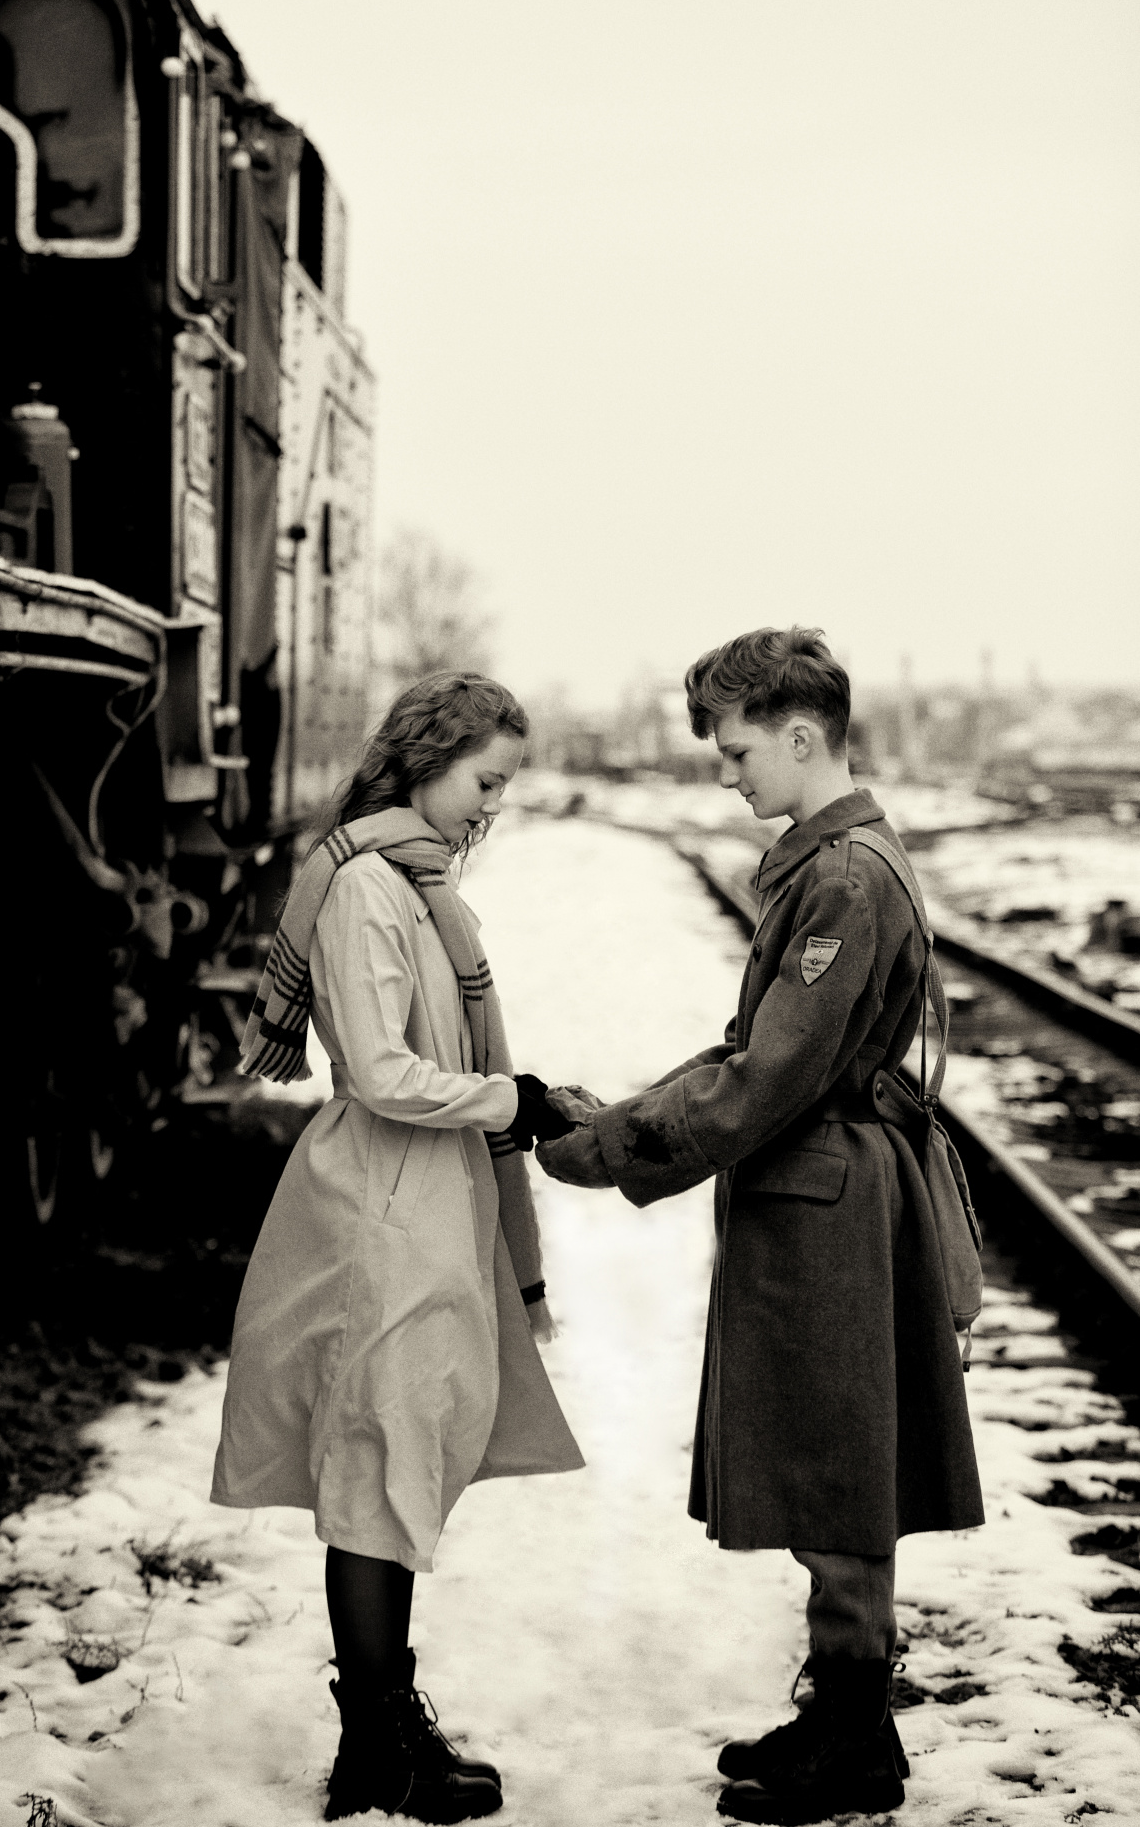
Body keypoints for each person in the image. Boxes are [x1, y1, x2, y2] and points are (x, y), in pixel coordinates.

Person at [536, 626, 984, 1827]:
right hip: (819, 1190)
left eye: (735, 750)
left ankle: (855, 1737)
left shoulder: (843, 878)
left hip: (824, 1198)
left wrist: (609, 1148)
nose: (724, 771)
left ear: (798, 734)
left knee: (838, 1468)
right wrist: (623, 1115)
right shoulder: (834, 862)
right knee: (827, 1457)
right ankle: (841, 1709)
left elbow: (764, 1079)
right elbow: (755, 1054)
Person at [211, 671, 584, 1825]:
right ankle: (376, 1746)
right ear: (425, 759)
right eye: (486, 781)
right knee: (379, 1469)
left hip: (422, 1195)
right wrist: (512, 1096)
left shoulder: (418, 887)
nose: (492, 807)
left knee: (398, 1459)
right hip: (383, 1203)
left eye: (505, 787)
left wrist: (515, 1100)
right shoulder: (370, 887)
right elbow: (379, 1070)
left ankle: (382, 1732)